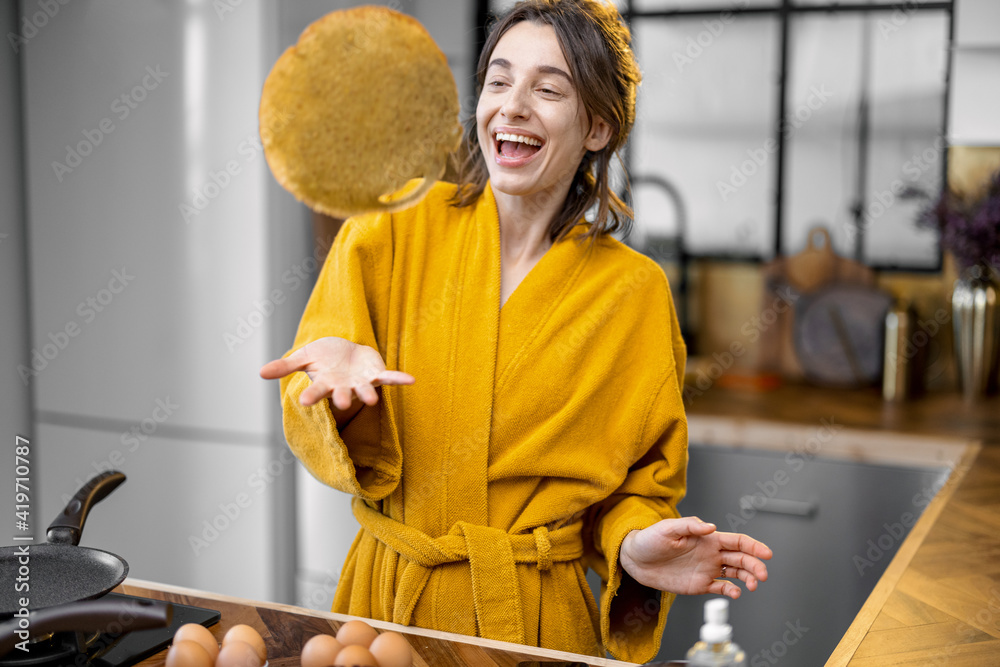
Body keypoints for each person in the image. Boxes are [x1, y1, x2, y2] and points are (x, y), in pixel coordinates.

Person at [260, 0, 772, 662]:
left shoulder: (632, 293)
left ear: (597, 127)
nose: (513, 105)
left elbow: (639, 486)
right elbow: (314, 416)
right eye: (498, 81)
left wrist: (633, 541)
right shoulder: (385, 233)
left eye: (548, 88)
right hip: (384, 613)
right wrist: (333, 395)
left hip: (532, 624)